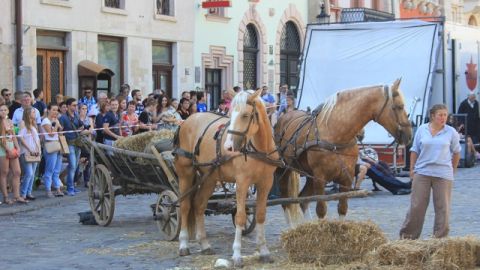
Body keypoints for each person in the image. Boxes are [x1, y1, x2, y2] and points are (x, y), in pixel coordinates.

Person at [399, 104, 461, 239]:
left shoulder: (451, 132)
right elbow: (414, 150)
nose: (443, 118)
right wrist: (412, 170)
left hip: (443, 174)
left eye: (445, 115)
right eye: (440, 115)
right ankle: (407, 238)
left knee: (442, 208)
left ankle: (439, 239)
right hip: (422, 173)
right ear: (432, 116)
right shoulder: (422, 129)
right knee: (416, 207)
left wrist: (452, 170)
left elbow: (456, 153)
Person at [0, 105, 25, 204]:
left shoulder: (10, 121)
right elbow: (1, 139)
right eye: (1, 110)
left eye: (5, 109)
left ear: (8, 111)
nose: (3, 111)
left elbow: (13, 135)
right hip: (2, 148)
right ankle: (5, 197)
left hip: (12, 146)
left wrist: (17, 147)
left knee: (17, 171)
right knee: (4, 172)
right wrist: (7, 149)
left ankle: (16, 196)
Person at [59, 98, 84, 196]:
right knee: (73, 165)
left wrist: (82, 126)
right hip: (69, 143)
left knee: (74, 165)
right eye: (73, 105)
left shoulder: (76, 116)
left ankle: (71, 186)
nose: (75, 107)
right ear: (68, 106)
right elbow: (61, 131)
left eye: (76, 105)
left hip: (77, 143)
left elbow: (81, 127)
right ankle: (70, 188)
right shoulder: (63, 118)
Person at [41, 103, 64, 197]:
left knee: (57, 169)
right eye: (53, 110)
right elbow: (50, 134)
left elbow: (60, 132)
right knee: (49, 169)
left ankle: (58, 189)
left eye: (57, 110)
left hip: (57, 144)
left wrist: (59, 126)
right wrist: (57, 125)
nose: (55, 112)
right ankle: (48, 189)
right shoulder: (45, 121)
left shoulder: (56, 120)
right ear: (48, 110)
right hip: (50, 145)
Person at [18, 107, 41, 201]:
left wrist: (38, 149)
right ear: (28, 113)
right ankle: (23, 193)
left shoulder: (34, 124)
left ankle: (29, 192)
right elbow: (21, 137)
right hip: (26, 151)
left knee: (32, 173)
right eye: (32, 112)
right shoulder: (23, 123)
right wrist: (29, 148)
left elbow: (37, 139)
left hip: (35, 151)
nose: (34, 113)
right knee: (29, 173)